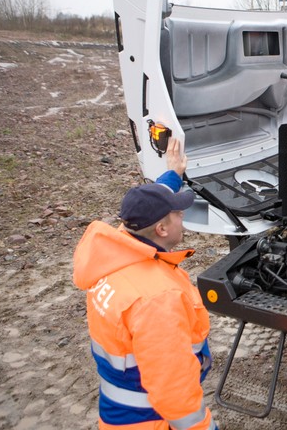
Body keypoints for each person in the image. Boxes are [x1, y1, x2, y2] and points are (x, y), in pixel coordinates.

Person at [73, 137, 218, 430]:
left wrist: (173, 175)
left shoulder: (116, 250)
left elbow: (149, 201)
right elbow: (174, 390)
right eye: (178, 213)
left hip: (119, 414)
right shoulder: (156, 299)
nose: (182, 216)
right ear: (162, 229)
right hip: (152, 422)